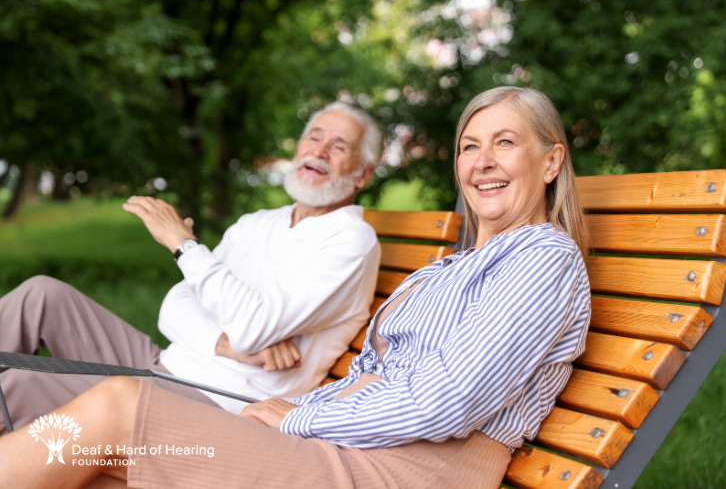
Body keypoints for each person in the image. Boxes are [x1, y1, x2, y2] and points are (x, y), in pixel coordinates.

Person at [0, 87, 591, 489]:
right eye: (469, 146)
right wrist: (296, 412)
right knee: (83, 453)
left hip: (406, 470)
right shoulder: (451, 269)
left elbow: (443, 403)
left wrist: (293, 418)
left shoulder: (542, 259)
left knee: (116, 411)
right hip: (352, 443)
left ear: (550, 162)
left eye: (505, 143)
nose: (482, 161)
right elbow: (381, 386)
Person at [0, 101, 383, 434]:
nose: (320, 151)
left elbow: (251, 329)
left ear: (362, 174)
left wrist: (184, 246)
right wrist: (225, 344)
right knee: (41, 295)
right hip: (161, 364)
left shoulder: (352, 242)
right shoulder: (258, 223)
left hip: (215, 402)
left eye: (339, 145)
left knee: (21, 384)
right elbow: (174, 305)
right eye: (314, 137)